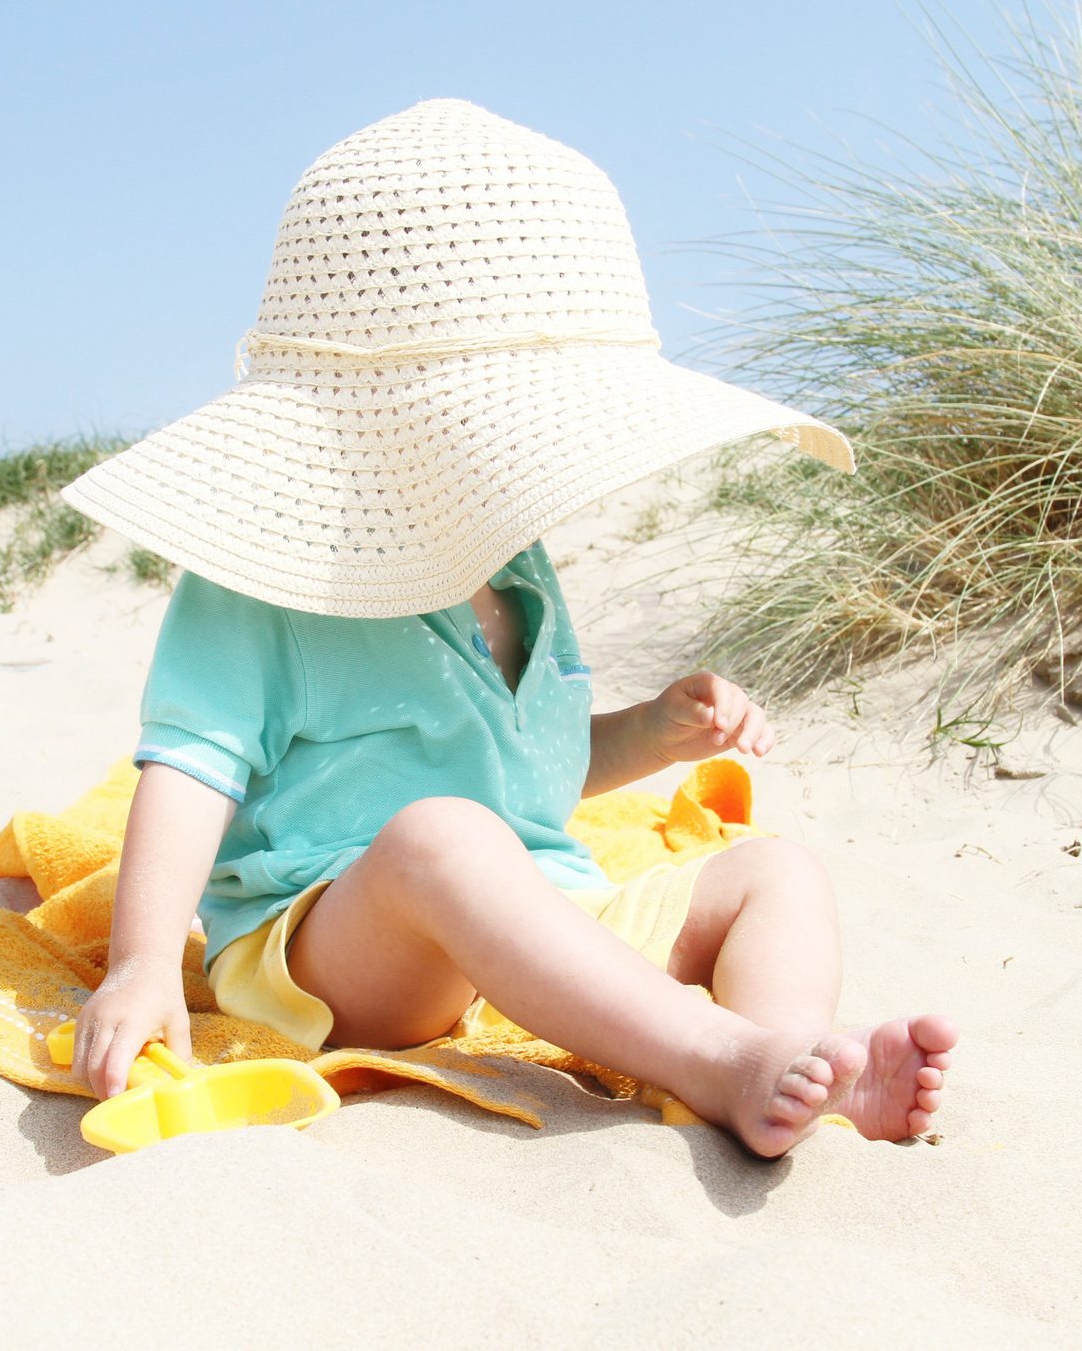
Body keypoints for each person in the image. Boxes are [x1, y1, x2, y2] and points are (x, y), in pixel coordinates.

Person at [57, 98, 955, 1157]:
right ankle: (714, 1060)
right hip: (340, 945)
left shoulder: (516, 567)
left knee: (777, 873)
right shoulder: (263, 580)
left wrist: (649, 737)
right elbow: (191, 764)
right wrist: (146, 960)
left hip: (540, 915)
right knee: (441, 837)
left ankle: (794, 1056)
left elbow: (528, 771)